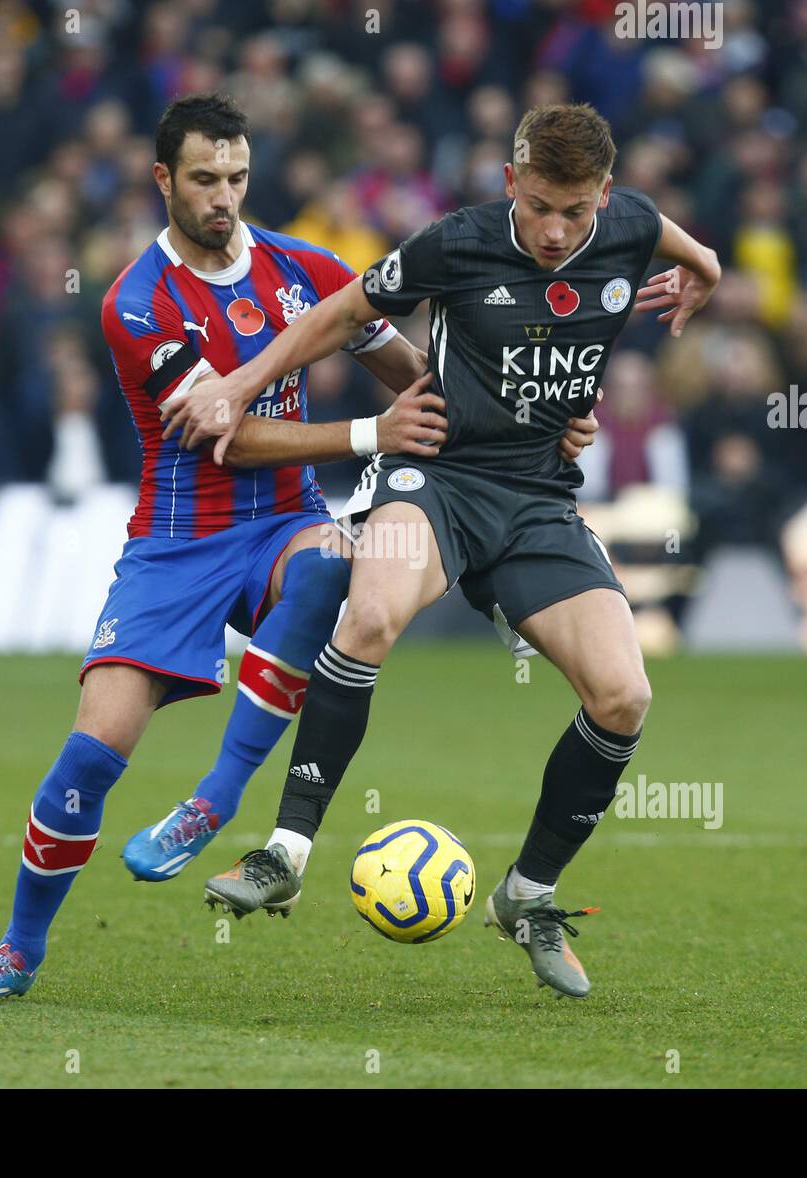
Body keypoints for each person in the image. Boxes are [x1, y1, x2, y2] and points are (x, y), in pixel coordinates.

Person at [0, 94, 593, 1005]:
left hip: (287, 524)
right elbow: (225, 435)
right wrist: (373, 435)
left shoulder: (307, 268)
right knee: (93, 752)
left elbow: (420, 379)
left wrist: (538, 418)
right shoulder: (137, 302)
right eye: (204, 179)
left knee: (330, 567)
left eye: (238, 177)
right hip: (177, 540)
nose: (223, 197)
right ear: (164, 179)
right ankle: (16, 950)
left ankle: (218, 798)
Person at [170, 103, 721, 999]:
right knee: (373, 612)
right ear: (510, 184)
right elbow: (340, 314)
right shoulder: (454, 244)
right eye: (538, 204)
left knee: (624, 695)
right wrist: (236, 386)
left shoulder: (629, 225)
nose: (554, 230)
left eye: (574, 212)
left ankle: (529, 896)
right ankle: (286, 850)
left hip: (540, 498)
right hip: (435, 472)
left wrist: (704, 272)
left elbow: (688, 248)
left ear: (604, 198)